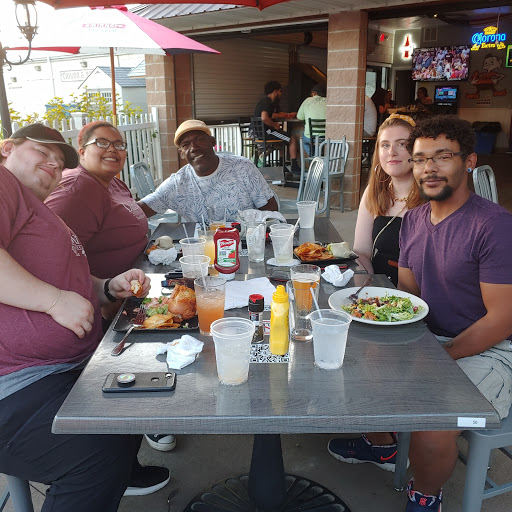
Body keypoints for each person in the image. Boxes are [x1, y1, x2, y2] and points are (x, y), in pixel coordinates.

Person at [329, 115, 512, 512]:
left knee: (432, 420)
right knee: (354, 361)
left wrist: (441, 356)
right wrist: (380, 325)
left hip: (490, 348)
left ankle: (426, 496)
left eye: (442, 156)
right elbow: (410, 296)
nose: (429, 168)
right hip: (430, 337)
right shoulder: (413, 219)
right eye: (421, 158)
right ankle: (382, 445)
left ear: (469, 161)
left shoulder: (494, 225)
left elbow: (501, 319)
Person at [0, 124, 168, 511]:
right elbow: (54, 292)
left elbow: (65, 277)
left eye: (60, 163)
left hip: (64, 369)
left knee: (137, 391)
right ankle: (110, 474)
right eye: (42, 152)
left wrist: (107, 287)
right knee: (97, 452)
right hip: (19, 384)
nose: (53, 165)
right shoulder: (4, 183)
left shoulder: (39, 211)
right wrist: (53, 300)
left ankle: (123, 474)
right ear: (8, 148)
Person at [45, 121, 176, 454]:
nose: (113, 150)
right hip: (107, 303)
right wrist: (102, 293)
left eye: (119, 145)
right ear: (81, 150)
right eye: (102, 143)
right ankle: (143, 415)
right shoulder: (78, 188)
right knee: (164, 337)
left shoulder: (111, 182)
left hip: (134, 285)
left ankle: (152, 405)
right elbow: (52, 253)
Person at [138, 119, 278, 222]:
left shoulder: (242, 168)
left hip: (245, 243)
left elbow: (271, 209)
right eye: (186, 145)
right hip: (204, 249)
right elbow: (138, 211)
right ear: (181, 153)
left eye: (199, 140)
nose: (193, 148)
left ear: (212, 142)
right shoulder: (177, 184)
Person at [352, 114, 422, 285]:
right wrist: (367, 287)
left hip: (421, 291)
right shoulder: (374, 191)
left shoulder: (431, 193)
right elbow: (361, 252)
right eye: (385, 145)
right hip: (379, 288)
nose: (392, 152)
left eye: (402, 144)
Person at [253, 80, 300, 174]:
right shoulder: (268, 102)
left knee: (281, 140)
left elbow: (271, 115)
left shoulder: (263, 102)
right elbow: (264, 117)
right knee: (292, 139)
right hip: (267, 132)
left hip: (260, 133)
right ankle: (294, 166)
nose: (281, 94)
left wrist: (284, 116)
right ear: (275, 91)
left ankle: (281, 165)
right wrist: (274, 125)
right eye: (280, 91)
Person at [296, 83, 327, 156]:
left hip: (310, 137)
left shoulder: (307, 100)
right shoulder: (329, 102)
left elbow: (299, 117)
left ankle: (313, 157)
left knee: (303, 141)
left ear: (314, 93)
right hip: (326, 137)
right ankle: (317, 157)